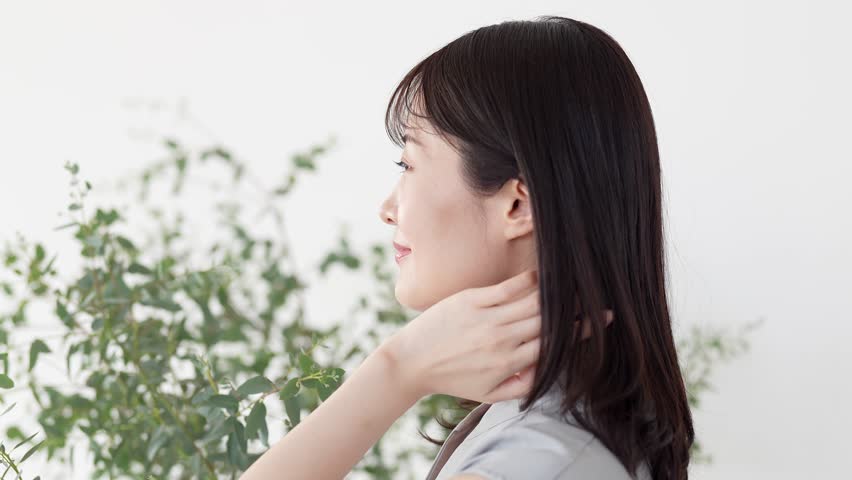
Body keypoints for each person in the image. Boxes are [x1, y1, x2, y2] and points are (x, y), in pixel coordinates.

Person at [241, 15, 693, 480]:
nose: (387, 209)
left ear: (518, 205)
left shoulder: (534, 459)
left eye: (407, 164)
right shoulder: (555, 430)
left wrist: (396, 370)